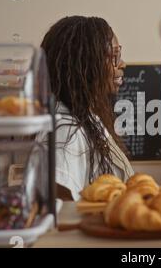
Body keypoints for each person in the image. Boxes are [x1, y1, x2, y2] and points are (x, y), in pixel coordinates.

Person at [39, 16, 133, 201]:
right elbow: (62, 216)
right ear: (83, 63)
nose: (122, 64)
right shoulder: (65, 132)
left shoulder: (86, 117)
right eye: (114, 56)